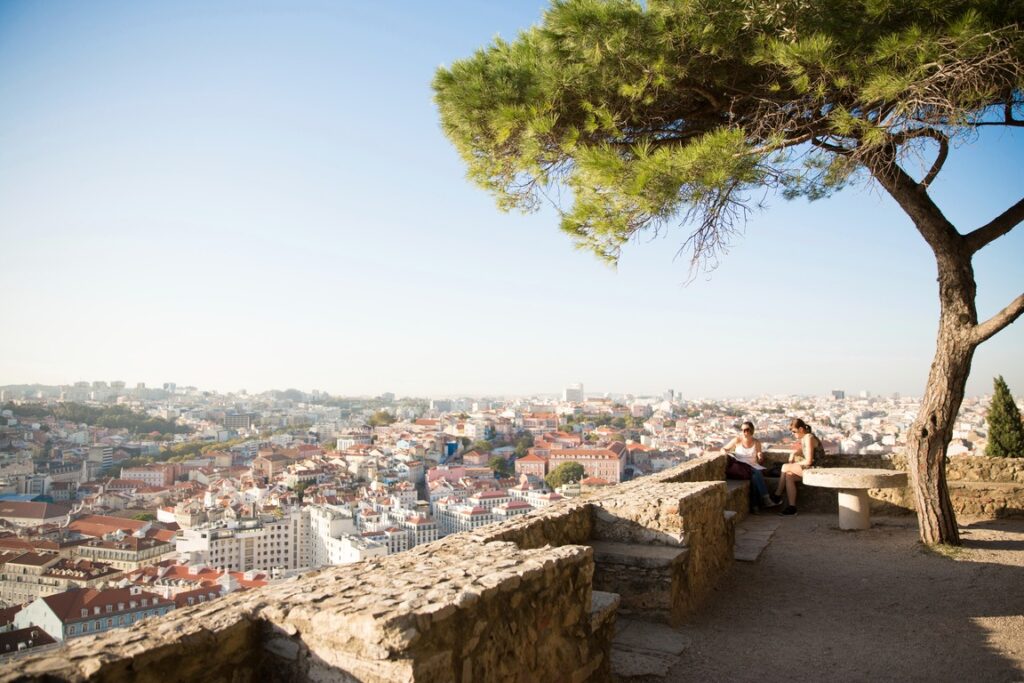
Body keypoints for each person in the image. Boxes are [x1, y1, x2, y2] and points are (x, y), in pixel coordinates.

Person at [722, 421, 779, 511]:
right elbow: (724, 448)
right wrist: (725, 453)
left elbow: (759, 453)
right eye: (742, 430)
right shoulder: (737, 440)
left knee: (755, 478)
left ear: (751, 431)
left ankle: (755, 506)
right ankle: (766, 499)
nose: (744, 432)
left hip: (752, 467)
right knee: (756, 473)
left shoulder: (756, 442)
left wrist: (760, 457)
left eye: (747, 430)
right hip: (741, 467)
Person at [775, 418, 823, 516]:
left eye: (794, 431)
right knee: (789, 475)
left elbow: (809, 460)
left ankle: (777, 496)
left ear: (801, 429)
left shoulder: (809, 437)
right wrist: (794, 453)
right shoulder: (805, 438)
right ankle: (792, 507)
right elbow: (803, 450)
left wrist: (792, 465)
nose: (793, 434)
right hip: (811, 467)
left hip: (817, 468)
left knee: (785, 467)